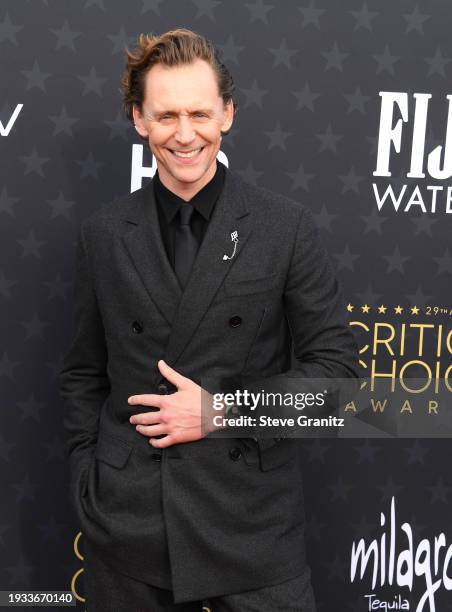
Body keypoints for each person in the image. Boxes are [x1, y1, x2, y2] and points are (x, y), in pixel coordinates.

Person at [59, 28, 359, 611]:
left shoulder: (284, 227)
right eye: (166, 115)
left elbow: (340, 380)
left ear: (228, 114)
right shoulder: (102, 235)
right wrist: (87, 480)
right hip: (129, 528)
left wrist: (220, 410)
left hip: (250, 527)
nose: (185, 133)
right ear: (138, 119)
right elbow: (82, 375)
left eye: (200, 112)